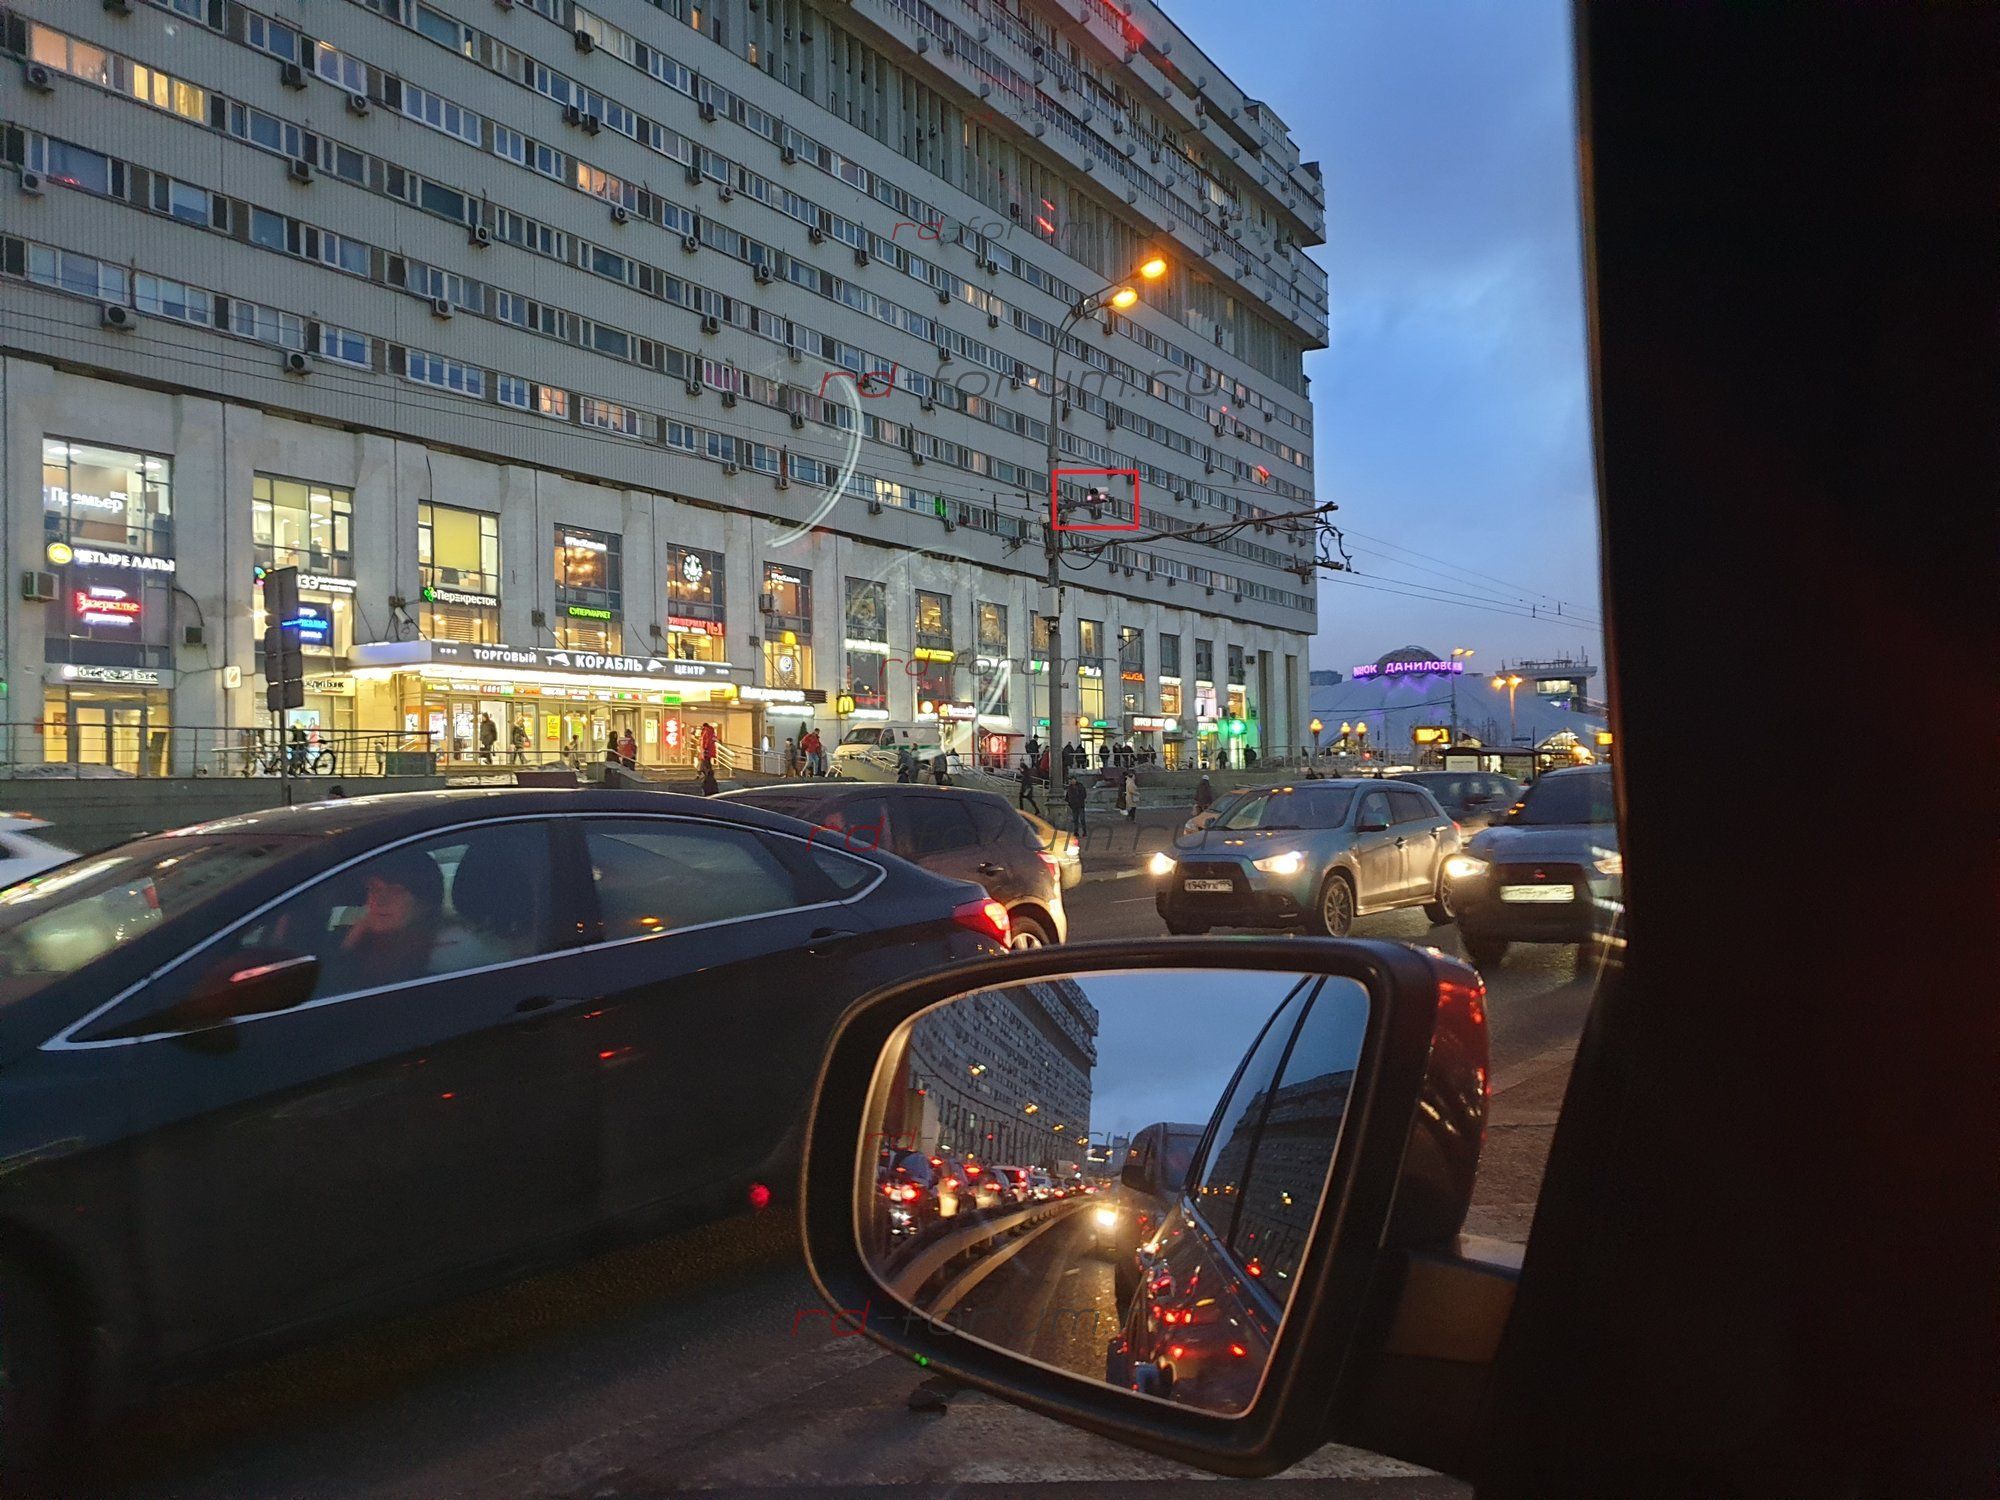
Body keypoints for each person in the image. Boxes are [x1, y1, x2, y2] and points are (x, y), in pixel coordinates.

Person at [325, 849, 444, 994]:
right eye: (374, 888)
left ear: (424, 904)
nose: (380, 900)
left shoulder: (443, 950)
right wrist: (353, 938)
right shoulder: (361, 939)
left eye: (396, 891)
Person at [1064, 772, 1088, 840]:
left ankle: (1084, 832)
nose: (1072, 781)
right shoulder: (1069, 788)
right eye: (1071, 780)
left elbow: (1084, 795)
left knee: (1082, 819)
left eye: (1072, 780)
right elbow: (1067, 797)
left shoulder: (1080, 786)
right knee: (1075, 820)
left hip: (1080, 805)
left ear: (1075, 780)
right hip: (1074, 806)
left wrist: (1079, 800)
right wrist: (1070, 803)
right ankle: (1076, 832)